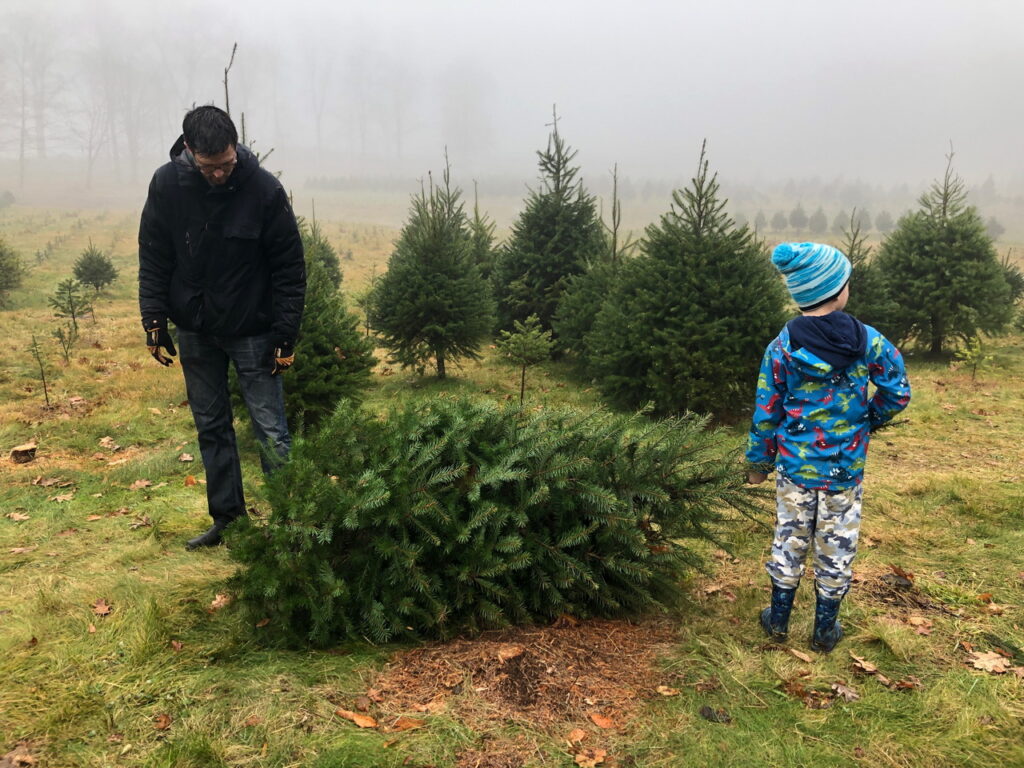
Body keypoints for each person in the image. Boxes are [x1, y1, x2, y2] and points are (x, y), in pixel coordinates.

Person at [138, 105, 305, 550]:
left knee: (271, 430)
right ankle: (229, 522)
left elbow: (290, 267)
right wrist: (153, 320)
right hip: (195, 329)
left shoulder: (265, 190)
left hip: (254, 331)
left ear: (236, 147)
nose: (219, 175)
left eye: (227, 164)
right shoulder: (167, 185)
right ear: (189, 151)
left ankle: (291, 527)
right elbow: (154, 255)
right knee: (211, 427)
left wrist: (285, 335)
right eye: (210, 167)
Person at [746, 242, 910, 652]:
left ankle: (778, 621)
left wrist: (758, 463)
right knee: (837, 545)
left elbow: (767, 410)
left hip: (794, 470)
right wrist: (866, 420)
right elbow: (897, 391)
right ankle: (824, 632)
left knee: (790, 538)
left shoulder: (781, 346)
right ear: (839, 291)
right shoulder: (869, 341)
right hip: (845, 471)